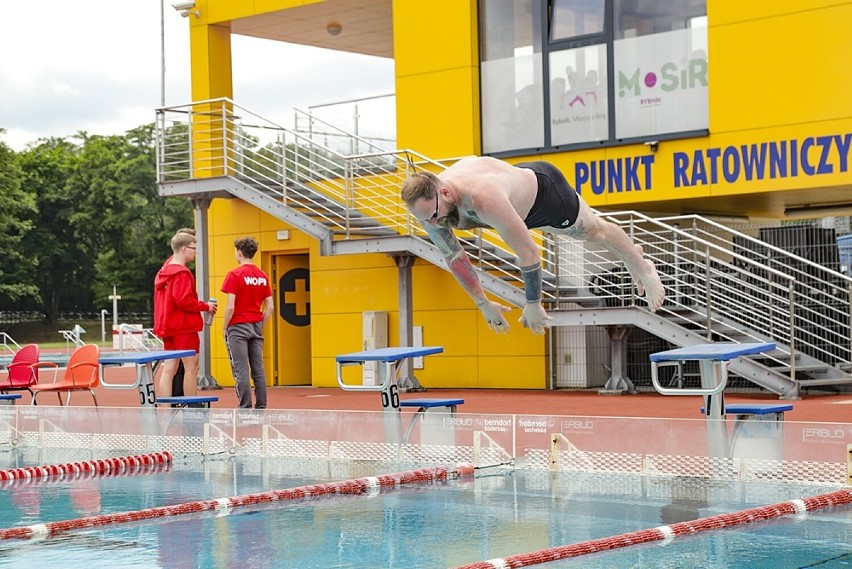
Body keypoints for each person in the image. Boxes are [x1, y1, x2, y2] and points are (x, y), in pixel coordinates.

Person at [400, 156, 665, 335]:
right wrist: (483, 304)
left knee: (594, 232)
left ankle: (643, 267)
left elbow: (528, 252)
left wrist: (533, 303)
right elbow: (454, 256)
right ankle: (632, 256)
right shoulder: (429, 207)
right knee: (586, 232)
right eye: (425, 219)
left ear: (445, 192)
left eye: (434, 215)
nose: (433, 223)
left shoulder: (483, 198)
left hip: (546, 196)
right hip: (517, 194)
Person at [153, 232, 217, 398]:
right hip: (184, 326)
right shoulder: (181, 273)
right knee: (191, 369)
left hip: (168, 325)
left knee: (169, 369)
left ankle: (166, 410)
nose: (195, 252)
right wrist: (206, 306)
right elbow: (184, 301)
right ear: (183, 249)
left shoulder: (165, 269)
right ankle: (192, 409)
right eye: (193, 248)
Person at [221, 237, 274, 409]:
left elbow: (230, 307)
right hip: (255, 324)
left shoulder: (234, 275)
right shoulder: (263, 276)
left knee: (241, 369)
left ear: (239, 252)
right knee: (258, 369)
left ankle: (245, 407)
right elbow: (270, 307)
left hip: (237, 326)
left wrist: (224, 327)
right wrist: (260, 324)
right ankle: (261, 407)